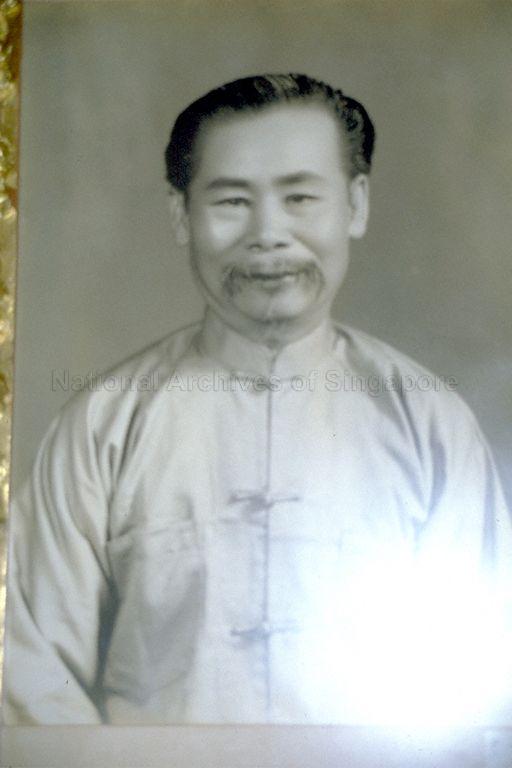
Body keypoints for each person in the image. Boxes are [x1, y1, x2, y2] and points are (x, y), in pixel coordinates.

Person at [4, 73, 512, 726]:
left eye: (300, 197)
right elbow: (30, 672)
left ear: (355, 204)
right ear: (180, 214)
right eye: (232, 201)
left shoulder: (429, 423)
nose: (268, 235)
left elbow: (482, 684)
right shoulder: (104, 425)